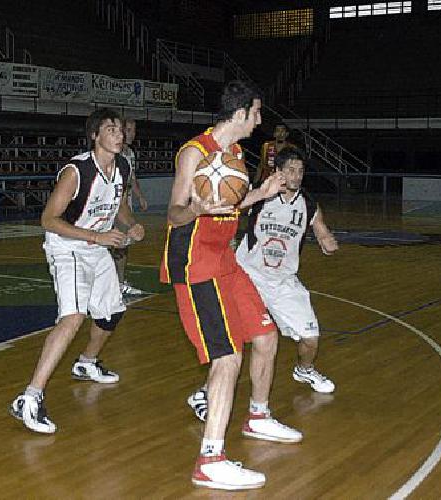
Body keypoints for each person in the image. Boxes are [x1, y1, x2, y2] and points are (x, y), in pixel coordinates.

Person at [160, 80, 298, 491]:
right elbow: (173, 212)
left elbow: (231, 201)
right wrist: (195, 209)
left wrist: (262, 192)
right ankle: (210, 459)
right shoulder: (194, 152)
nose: (259, 120)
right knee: (227, 357)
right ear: (239, 114)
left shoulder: (236, 153)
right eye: (256, 113)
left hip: (226, 261)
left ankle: (257, 415)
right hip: (195, 263)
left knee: (267, 335)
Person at [9, 108, 145, 434]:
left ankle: (86, 363)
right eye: (110, 128)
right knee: (73, 317)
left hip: (95, 248)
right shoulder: (77, 170)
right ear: (95, 135)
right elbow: (48, 219)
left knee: (112, 312)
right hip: (67, 247)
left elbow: (118, 205)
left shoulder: (122, 167)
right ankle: (29, 397)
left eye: (120, 129)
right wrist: (97, 236)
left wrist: (132, 224)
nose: (119, 133)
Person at [237, 147, 339, 393]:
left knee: (310, 338)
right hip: (249, 276)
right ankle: (208, 391)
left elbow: (322, 230)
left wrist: (327, 242)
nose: (296, 175)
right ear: (278, 171)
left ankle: (303, 370)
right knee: (233, 338)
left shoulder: (309, 204)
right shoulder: (261, 195)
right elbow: (232, 209)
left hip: (283, 281)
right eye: (291, 170)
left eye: (301, 171)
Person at [110, 118, 149, 296]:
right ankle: (114, 284)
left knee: (122, 246)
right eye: (129, 129)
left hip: (126, 204)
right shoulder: (114, 153)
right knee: (117, 245)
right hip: (114, 207)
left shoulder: (130, 153)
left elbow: (132, 178)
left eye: (134, 130)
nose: (132, 133)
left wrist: (140, 196)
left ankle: (118, 283)